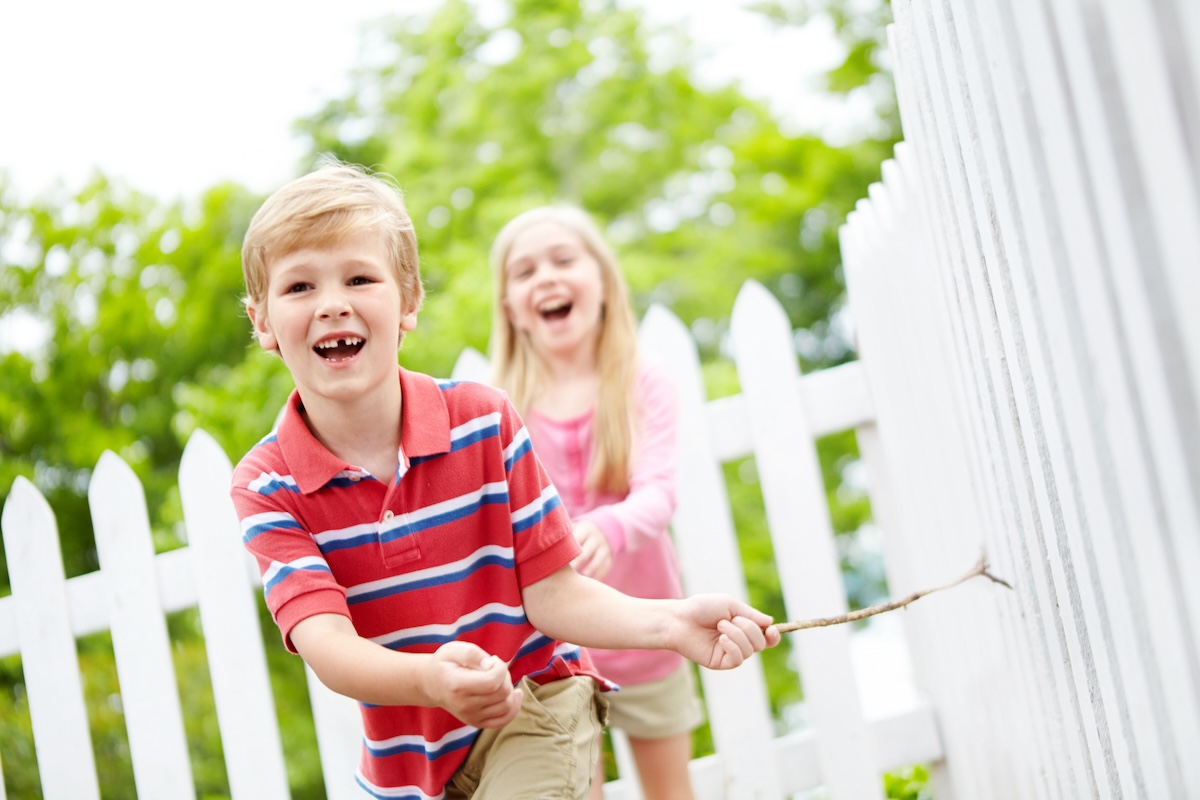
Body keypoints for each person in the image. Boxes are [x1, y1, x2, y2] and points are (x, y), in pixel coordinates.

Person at [229, 162, 781, 800]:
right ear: (263, 321)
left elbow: (551, 594)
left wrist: (672, 623)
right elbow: (328, 647)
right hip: (411, 763)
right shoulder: (267, 485)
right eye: (299, 287)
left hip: (536, 702)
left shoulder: (483, 420)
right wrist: (432, 682)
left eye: (360, 277)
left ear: (408, 302)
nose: (332, 304)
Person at [489, 205, 704, 800]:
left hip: (654, 634)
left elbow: (659, 492)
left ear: (604, 282)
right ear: (510, 308)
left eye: (563, 260)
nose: (547, 278)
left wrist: (609, 528)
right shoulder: (501, 407)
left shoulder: (641, 378)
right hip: (557, 658)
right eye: (525, 271)